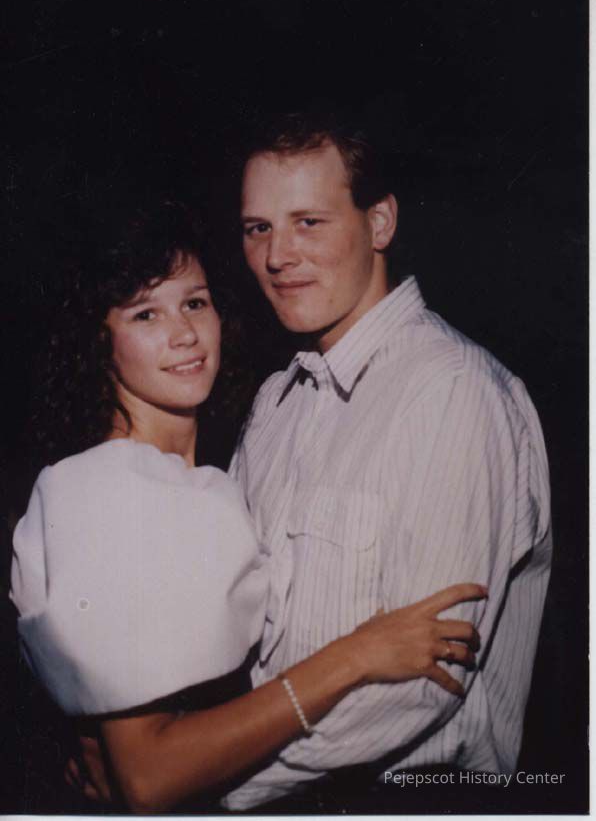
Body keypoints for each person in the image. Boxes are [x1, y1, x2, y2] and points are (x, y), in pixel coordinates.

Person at [10, 197, 486, 814]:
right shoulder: (111, 490)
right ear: (99, 344)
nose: (184, 333)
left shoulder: (193, 481)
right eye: (145, 314)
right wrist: (355, 656)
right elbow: (150, 778)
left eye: (194, 302)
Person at [218, 110, 552, 810]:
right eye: (258, 228)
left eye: (309, 222)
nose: (277, 256)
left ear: (380, 223)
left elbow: (419, 690)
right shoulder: (277, 400)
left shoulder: (452, 392)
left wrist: (202, 772)